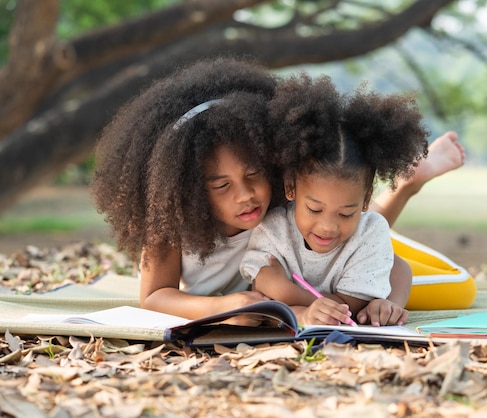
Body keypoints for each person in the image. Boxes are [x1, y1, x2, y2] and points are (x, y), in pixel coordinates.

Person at [90, 57, 464, 324]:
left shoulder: (278, 202)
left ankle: (405, 186)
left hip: (344, 250)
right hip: (302, 279)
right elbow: (154, 297)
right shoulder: (170, 223)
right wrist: (224, 308)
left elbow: (357, 229)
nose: (246, 195)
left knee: (448, 283)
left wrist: (388, 301)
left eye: (254, 174)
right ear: (186, 188)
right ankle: (403, 186)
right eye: (221, 185)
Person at [239, 73, 429, 326]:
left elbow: (353, 308)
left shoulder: (371, 232)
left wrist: (287, 294)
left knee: (460, 288)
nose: (328, 226)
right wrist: (294, 300)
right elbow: (261, 292)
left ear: (366, 199)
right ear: (290, 187)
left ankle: (413, 180)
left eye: (345, 213)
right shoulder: (273, 228)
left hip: (388, 269)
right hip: (380, 267)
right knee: (396, 266)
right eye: (314, 209)